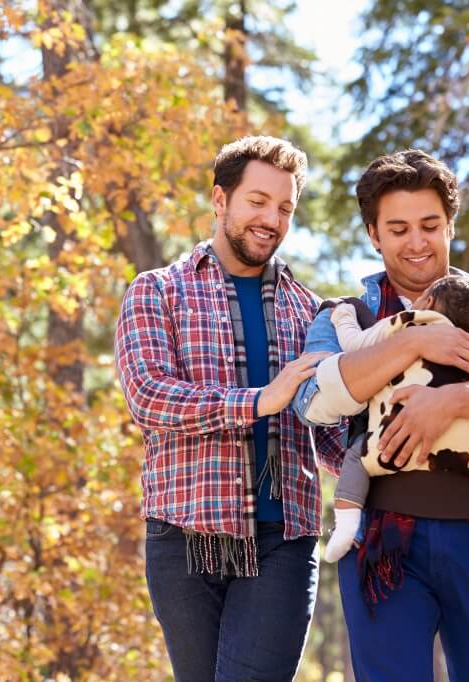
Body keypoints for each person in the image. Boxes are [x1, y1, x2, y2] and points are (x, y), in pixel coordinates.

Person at [293, 149, 469, 682]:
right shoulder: (347, 317)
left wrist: (451, 402)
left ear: (450, 225)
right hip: (382, 546)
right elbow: (317, 401)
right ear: (374, 234)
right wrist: (415, 338)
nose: (416, 242)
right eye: (398, 229)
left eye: (429, 225)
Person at [114, 135, 347, 682]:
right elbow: (148, 396)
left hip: (282, 540)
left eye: (286, 207)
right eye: (258, 201)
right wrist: (257, 402)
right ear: (220, 200)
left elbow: (331, 432)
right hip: (184, 537)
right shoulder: (157, 292)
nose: (272, 218)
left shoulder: (311, 311)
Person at [322, 274, 469, 565]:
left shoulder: (402, 325)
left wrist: (343, 315)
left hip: (393, 441)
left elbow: (354, 345)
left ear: (428, 301)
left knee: (355, 459)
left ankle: (345, 528)